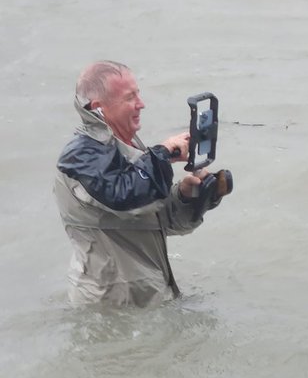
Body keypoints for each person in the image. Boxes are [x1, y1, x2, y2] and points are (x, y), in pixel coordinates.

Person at [55, 61, 219, 307]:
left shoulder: (128, 149)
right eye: (130, 97)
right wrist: (161, 154)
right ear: (99, 108)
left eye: (138, 94)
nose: (141, 104)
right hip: (109, 305)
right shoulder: (81, 155)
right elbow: (124, 198)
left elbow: (153, 221)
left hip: (149, 296)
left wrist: (187, 197)